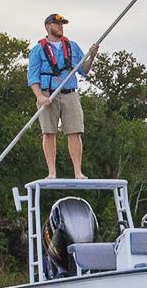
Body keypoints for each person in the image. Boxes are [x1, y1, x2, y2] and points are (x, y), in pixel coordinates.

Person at [28, 13, 99, 179]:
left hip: (70, 93)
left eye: (62, 24)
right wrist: (39, 96)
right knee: (49, 132)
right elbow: (33, 77)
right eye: (57, 23)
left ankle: (78, 172)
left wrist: (92, 55)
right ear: (48, 26)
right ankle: (52, 172)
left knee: (75, 131)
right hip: (48, 94)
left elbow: (84, 70)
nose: (60, 26)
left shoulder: (72, 46)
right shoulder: (38, 50)